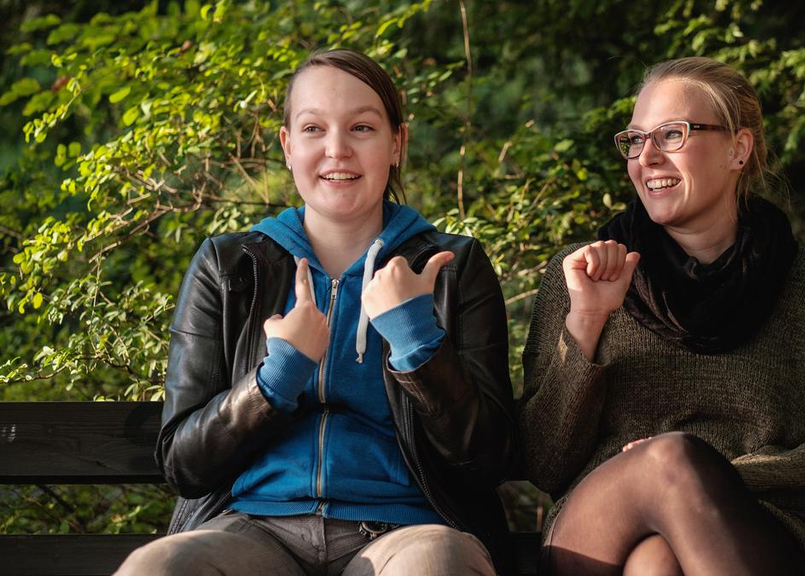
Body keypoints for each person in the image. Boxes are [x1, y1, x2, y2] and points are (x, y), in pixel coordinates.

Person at [117, 49, 517, 576]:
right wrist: (275, 379)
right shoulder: (231, 265)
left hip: (406, 531)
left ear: (396, 143)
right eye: (313, 128)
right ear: (287, 146)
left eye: (361, 127)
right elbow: (183, 465)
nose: (337, 150)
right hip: (252, 528)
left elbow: (489, 458)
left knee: (438, 562)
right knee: (159, 568)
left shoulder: (451, 267)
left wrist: (418, 342)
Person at [518, 56, 805, 576]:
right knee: (668, 466)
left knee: (657, 559)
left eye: (673, 135)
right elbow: (545, 462)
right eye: (636, 141)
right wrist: (587, 322)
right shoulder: (582, 275)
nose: (647, 158)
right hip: (597, 530)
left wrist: (708, 475)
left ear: (739, 149)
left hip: (763, 527)